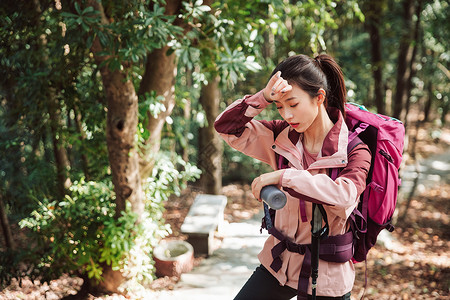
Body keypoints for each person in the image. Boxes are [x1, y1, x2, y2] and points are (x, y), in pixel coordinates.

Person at [214, 54, 372, 300]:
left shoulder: (355, 150)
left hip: (327, 276)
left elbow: (344, 196)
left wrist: (285, 177)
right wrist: (264, 97)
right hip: (279, 265)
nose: (286, 114)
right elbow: (226, 128)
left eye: (293, 104)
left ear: (319, 98)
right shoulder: (281, 136)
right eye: (280, 106)